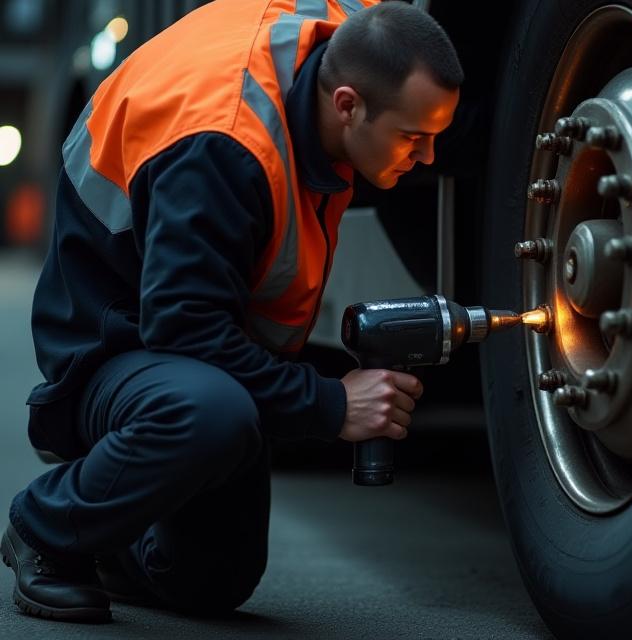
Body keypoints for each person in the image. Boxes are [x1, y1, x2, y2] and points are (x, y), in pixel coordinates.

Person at [1, 0, 462, 622]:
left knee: (210, 580)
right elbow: (184, 327)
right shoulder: (224, 147)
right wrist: (331, 404)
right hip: (112, 342)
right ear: (347, 104)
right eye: (413, 137)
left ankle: (107, 527)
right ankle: (46, 528)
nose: (428, 157)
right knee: (209, 414)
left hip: (194, 345)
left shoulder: (349, 40)